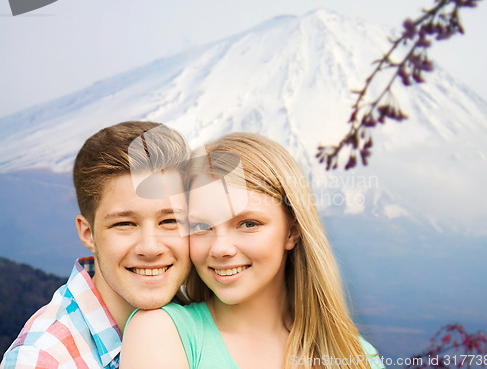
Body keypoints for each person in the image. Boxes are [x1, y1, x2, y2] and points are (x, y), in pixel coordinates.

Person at [121, 133, 384, 369]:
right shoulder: (162, 332)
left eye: (248, 224)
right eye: (201, 226)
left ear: (291, 232)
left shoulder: (356, 355)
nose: (221, 248)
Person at [0, 121, 192, 369]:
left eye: (170, 221)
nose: (150, 247)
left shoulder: (205, 318)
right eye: (125, 224)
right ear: (88, 233)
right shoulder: (43, 360)